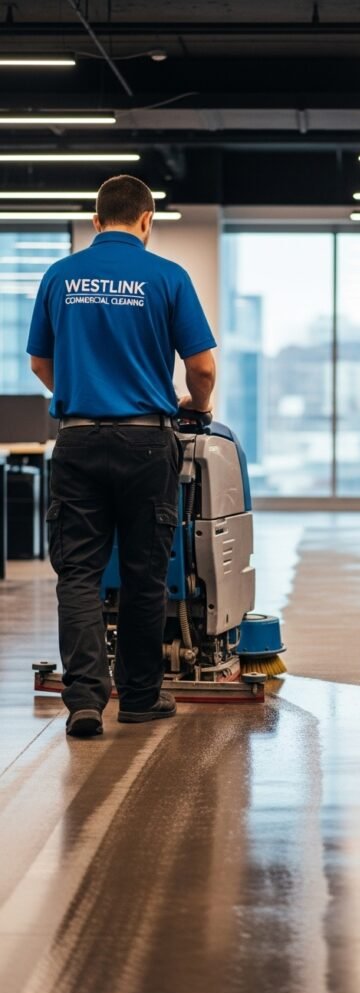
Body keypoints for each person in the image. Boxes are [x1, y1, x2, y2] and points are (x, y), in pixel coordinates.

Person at [27, 174, 216, 738]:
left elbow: (39, 363)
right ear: (146, 221)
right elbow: (201, 367)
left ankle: (85, 701)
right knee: (144, 573)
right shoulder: (167, 276)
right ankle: (139, 697)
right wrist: (195, 407)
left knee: (79, 573)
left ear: (95, 220)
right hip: (146, 440)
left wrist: (81, 391)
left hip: (78, 439)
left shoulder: (60, 276)